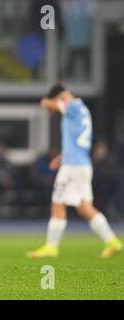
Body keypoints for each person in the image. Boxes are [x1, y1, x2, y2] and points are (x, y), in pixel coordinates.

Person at [27, 83, 122, 258]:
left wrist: (46, 102)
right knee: (85, 208)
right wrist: (62, 156)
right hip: (81, 164)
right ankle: (112, 241)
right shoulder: (82, 110)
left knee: (57, 202)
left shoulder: (74, 106)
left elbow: (50, 104)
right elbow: (77, 140)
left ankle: (51, 247)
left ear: (60, 97)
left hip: (73, 167)